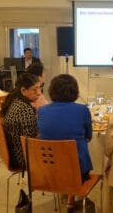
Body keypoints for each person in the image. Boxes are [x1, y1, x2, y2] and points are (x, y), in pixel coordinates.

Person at [38, 74, 92, 208]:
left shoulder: (42, 111)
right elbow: (89, 137)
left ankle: (69, 198)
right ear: (75, 91)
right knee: (78, 152)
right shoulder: (82, 110)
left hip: (48, 168)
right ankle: (74, 198)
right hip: (77, 172)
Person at [1, 73, 41, 169]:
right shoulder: (24, 109)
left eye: (39, 88)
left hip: (14, 154)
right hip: (22, 158)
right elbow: (31, 141)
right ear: (23, 91)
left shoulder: (15, 101)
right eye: (34, 89)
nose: (39, 92)